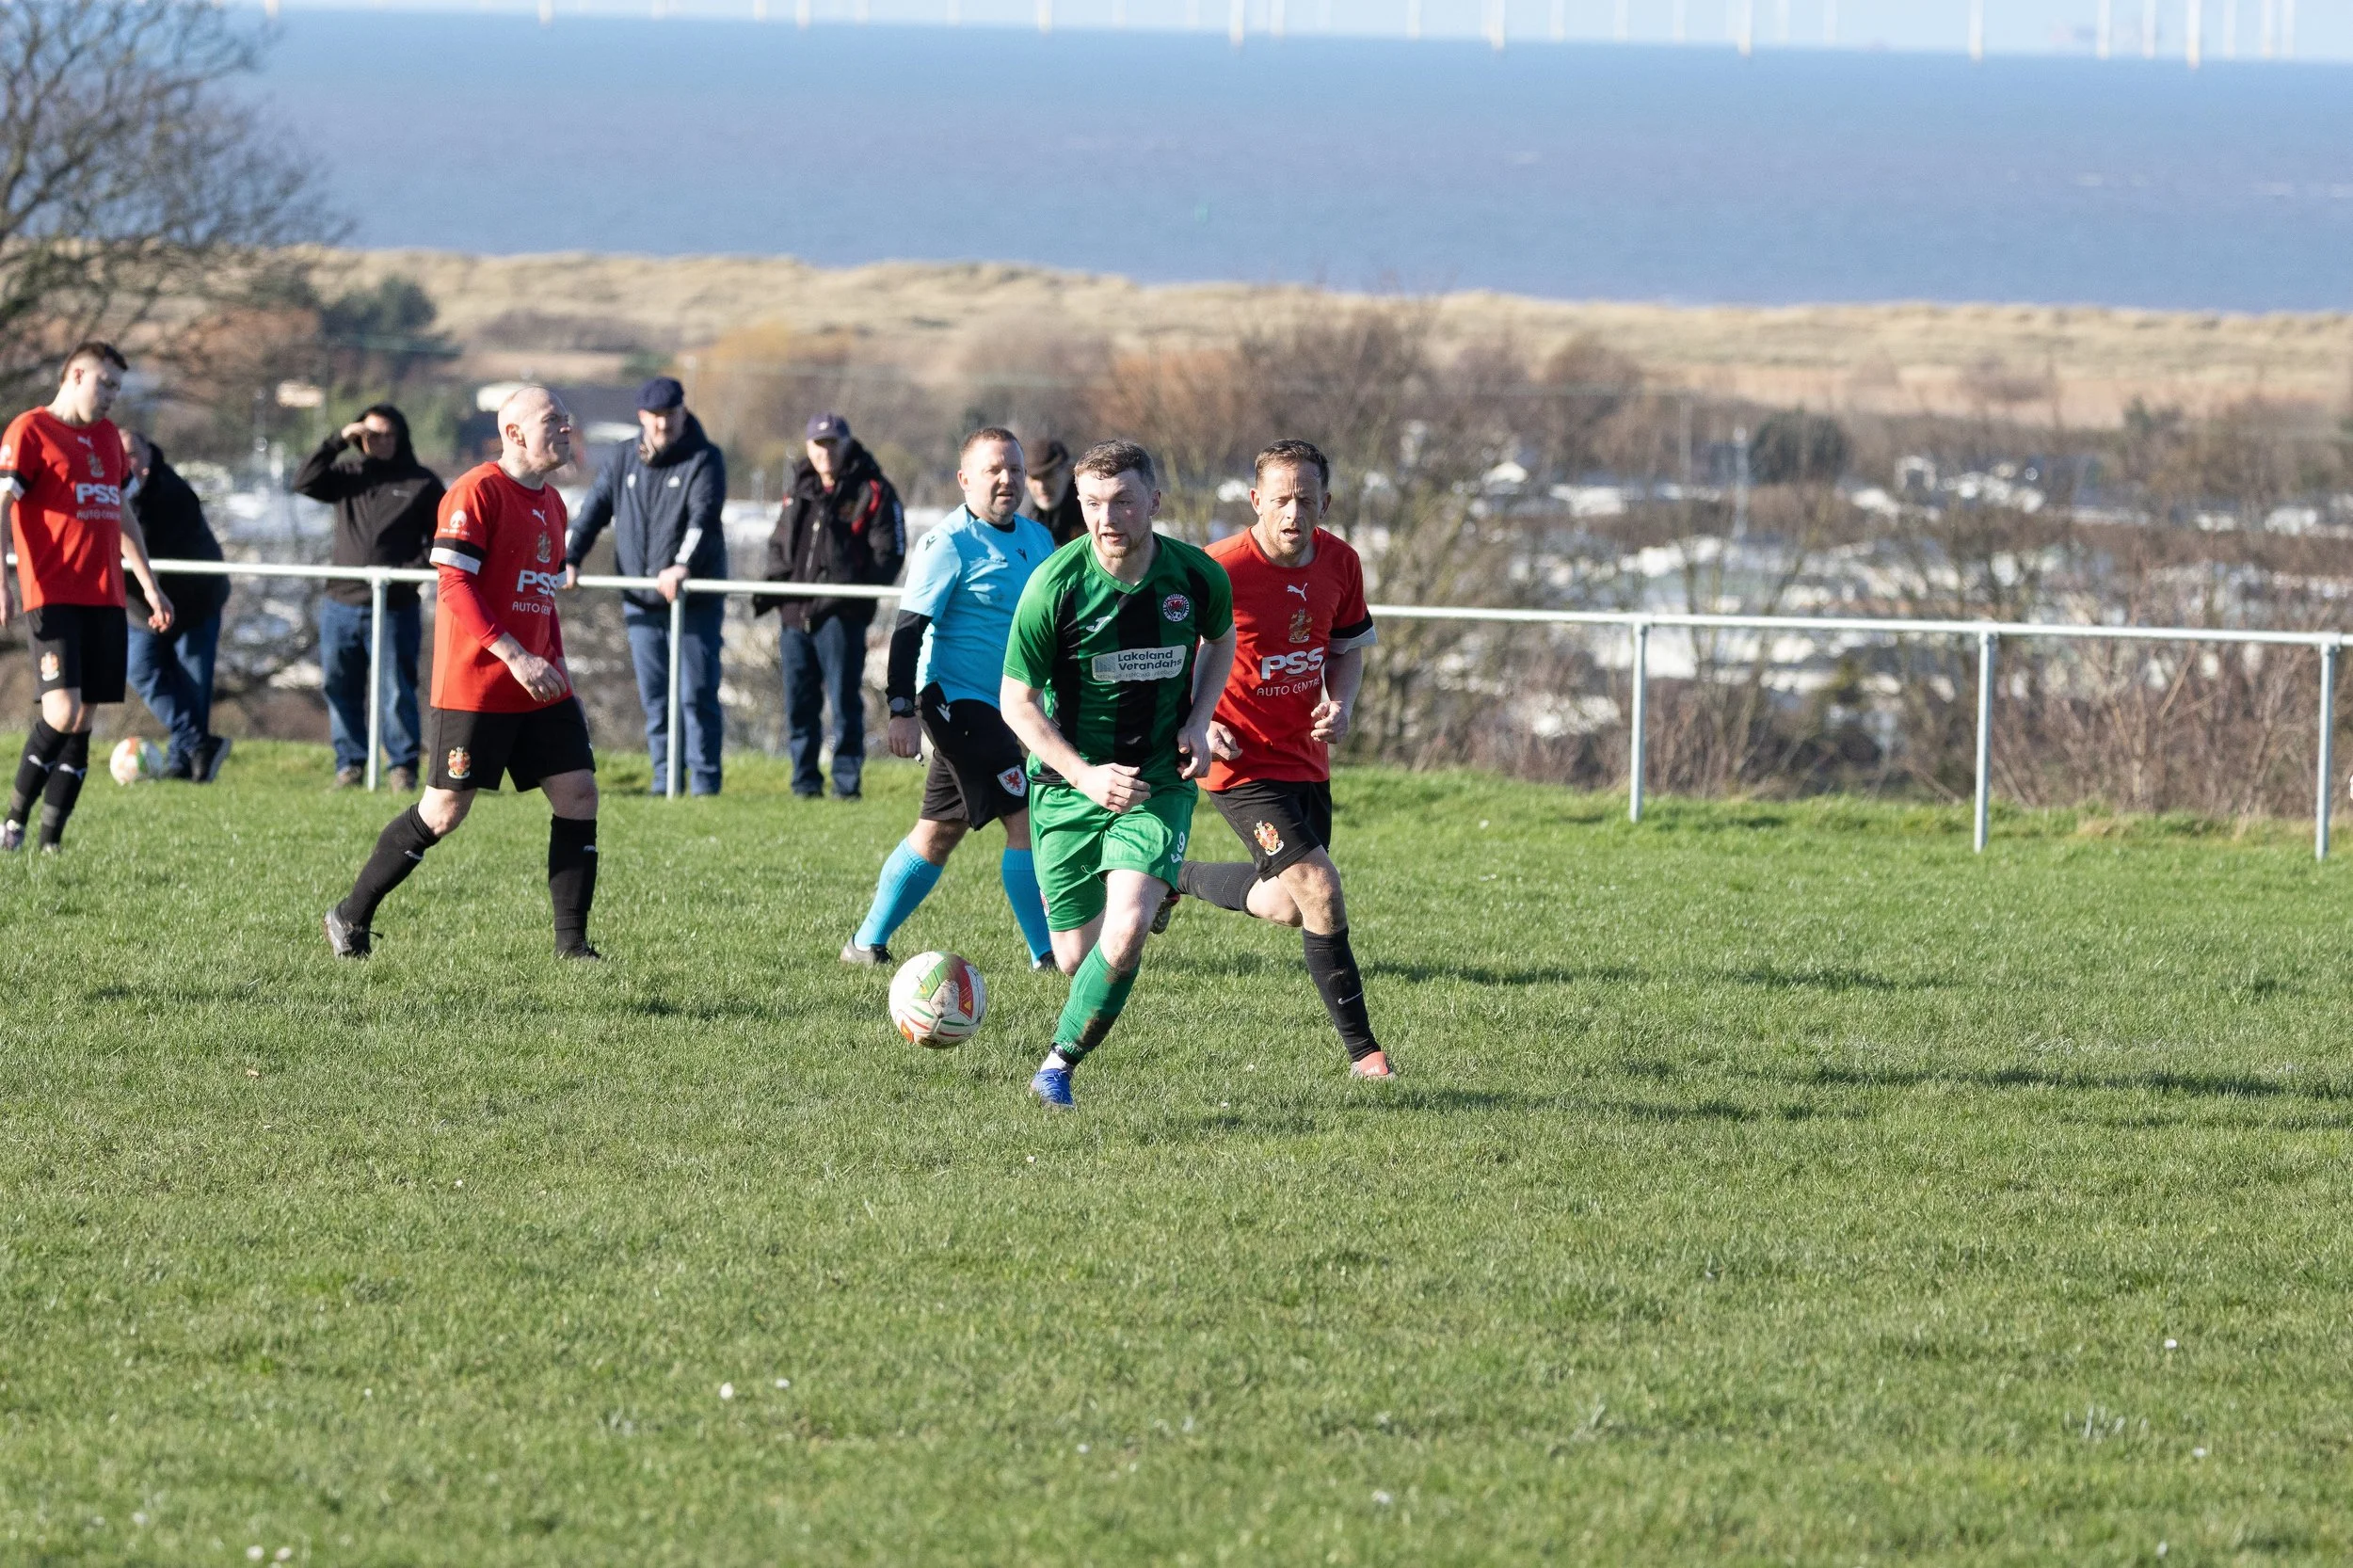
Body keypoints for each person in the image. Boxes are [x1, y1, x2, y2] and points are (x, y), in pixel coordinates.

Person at [323, 386, 601, 962]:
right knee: (444, 812)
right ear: (515, 433)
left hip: (541, 685)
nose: (566, 430)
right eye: (554, 420)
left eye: (568, 421)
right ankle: (350, 915)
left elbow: (541, 598)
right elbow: (454, 586)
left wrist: (555, 667)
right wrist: (515, 657)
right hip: (478, 685)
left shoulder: (553, 503)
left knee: (578, 793)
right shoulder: (474, 492)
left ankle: (573, 949)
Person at [1000, 440, 1235, 1111]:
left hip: (1158, 780)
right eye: (1094, 504)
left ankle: (1055, 1068)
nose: (1108, 518)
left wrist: (1198, 719)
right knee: (1077, 960)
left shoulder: (1195, 578)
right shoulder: (1054, 587)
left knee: (1124, 931)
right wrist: (1082, 776)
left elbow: (1221, 640)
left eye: (1124, 502)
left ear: (1153, 503)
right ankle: (1154, 893)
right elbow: (1014, 701)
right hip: (1066, 790)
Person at [1162, 440, 1392, 1080]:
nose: (1294, 512)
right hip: (1237, 765)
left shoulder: (1342, 563)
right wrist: (1199, 719)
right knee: (1320, 886)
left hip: (1306, 759)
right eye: (1281, 499)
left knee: (1290, 905)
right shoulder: (1219, 569)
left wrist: (1340, 706)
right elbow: (1170, 656)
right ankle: (1365, 1054)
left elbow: (1347, 649)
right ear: (1256, 499)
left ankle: (1173, 877)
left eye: (1307, 499)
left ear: (1326, 501)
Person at [843, 427, 1057, 970]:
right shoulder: (948, 543)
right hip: (955, 703)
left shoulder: (1039, 540)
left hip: (1014, 706)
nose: (1006, 479)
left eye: (1013, 468)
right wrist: (900, 710)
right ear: (965, 480)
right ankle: (1048, 957)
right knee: (1025, 819)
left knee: (939, 832)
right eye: (993, 470)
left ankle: (865, 944)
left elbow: (1056, 629)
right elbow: (908, 631)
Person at [0, 342, 175, 851]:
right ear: (75, 374)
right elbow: (3, 510)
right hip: (51, 593)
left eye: (118, 387)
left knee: (84, 719)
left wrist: (148, 584)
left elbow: (121, 514)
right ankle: (13, 823)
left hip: (106, 597)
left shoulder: (105, 438)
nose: (111, 396)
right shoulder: (29, 431)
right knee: (61, 713)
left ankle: (50, 841)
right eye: (105, 383)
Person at [562, 376, 728, 796]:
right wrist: (571, 557)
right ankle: (664, 780)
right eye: (655, 416)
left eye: (670, 414)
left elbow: (703, 520)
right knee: (657, 700)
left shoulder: (705, 459)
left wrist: (681, 566)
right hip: (640, 600)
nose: (663, 424)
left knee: (697, 696)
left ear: (682, 412)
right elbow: (594, 509)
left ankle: (705, 786)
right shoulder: (622, 459)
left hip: (694, 601)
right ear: (642, 417)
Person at [294, 404, 443, 791]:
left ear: (401, 436)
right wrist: (337, 440)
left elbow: (443, 541)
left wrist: (409, 573)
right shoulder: (349, 475)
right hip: (340, 603)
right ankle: (350, 765)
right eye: (371, 435)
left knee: (395, 689)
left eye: (388, 434)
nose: (381, 442)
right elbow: (305, 481)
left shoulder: (421, 482)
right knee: (340, 687)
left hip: (395, 607)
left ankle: (402, 767)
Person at [758, 412, 904, 800]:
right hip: (794, 613)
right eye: (818, 445)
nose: (825, 453)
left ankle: (846, 783)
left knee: (843, 701)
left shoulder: (873, 489)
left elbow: (889, 555)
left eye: (832, 444)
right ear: (808, 447)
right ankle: (804, 782)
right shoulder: (799, 487)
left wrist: (853, 593)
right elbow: (779, 543)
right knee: (799, 702)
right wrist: (776, 590)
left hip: (841, 616)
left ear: (846, 444)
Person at [120, 430, 233, 782]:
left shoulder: (172, 494)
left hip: (195, 602)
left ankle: (183, 764)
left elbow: (136, 549)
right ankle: (199, 744)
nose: (127, 463)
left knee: (192, 683)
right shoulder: (105, 494)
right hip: (141, 607)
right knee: (140, 669)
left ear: (150, 457)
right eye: (118, 455)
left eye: (133, 455)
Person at [1024, 438, 1087, 547]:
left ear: (1070, 470)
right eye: (1035, 478)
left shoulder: (1090, 510)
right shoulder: (1019, 518)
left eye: (1049, 476)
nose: (1042, 487)